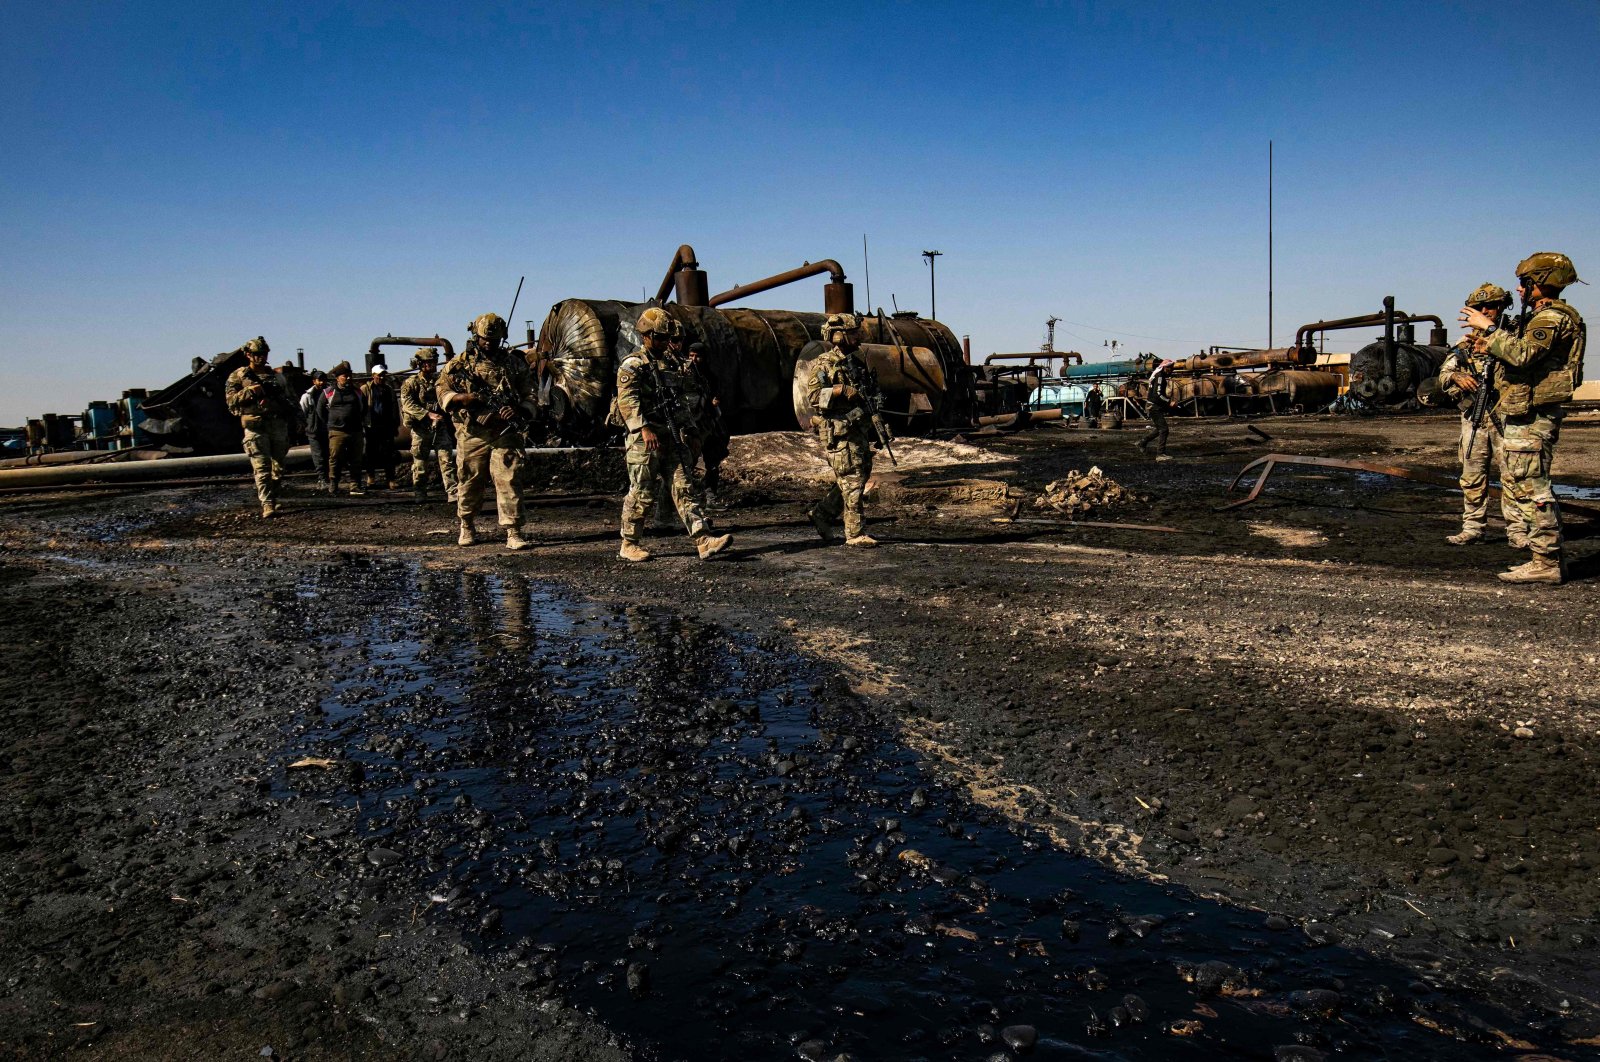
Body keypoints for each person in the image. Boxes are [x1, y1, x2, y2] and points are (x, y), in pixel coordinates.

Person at [1462, 252, 1587, 585]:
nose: (1518, 289)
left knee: (1533, 486)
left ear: (1541, 283)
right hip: (1521, 411)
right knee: (1520, 484)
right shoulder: (1539, 317)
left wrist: (1489, 328)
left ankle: (1547, 561)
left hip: (1533, 415)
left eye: (1524, 283)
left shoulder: (1551, 318)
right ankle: (1541, 557)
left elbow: (1523, 354)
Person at [614, 306, 731, 562]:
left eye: (668, 337)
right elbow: (628, 401)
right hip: (643, 438)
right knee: (642, 491)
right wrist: (643, 428)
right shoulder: (633, 365)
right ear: (645, 335)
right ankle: (629, 543)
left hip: (671, 435)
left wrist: (690, 429)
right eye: (660, 337)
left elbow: (679, 401)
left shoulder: (669, 364)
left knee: (684, 485)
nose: (665, 342)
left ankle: (703, 539)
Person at [437, 313, 537, 550]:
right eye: (484, 338)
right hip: (473, 432)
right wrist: (464, 399)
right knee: (470, 479)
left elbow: (530, 391)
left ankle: (513, 531)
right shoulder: (461, 364)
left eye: (494, 338)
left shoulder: (514, 363)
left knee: (509, 479)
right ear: (476, 336)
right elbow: (442, 389)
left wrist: (520, 411)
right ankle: (467, 525)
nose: (489, 343)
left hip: (505, 432)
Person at [1433, 283, 1518, 546]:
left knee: (1514, 476)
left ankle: (1518, 530)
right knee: (1472, 477)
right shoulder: (1464, 344)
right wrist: (1457, 377)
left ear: (1502, 307)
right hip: (1474, 416)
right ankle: (1473, 527)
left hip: (1508, 416)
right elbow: (1443, 376)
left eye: (1490, 306)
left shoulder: (1514, 337)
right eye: (1478, 307)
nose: (1485, 311)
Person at [805, 312, 887, 547]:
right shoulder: (823, 363)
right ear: (838, 336)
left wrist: (879, 426)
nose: (858, 338)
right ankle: (855, 533)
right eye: (853, 334)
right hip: (839, 432)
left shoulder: (857, 362)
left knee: (858, 476)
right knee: (852, 480)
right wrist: (839, 390)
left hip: (858, 429)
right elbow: (813, 397)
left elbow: (868, 398)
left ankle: (822, 513)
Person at [223, 336, 296, 518]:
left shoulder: (277, 378)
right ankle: (267, 503)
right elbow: (231, 403)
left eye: (264, 354)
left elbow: (292, 400)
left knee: (278, 467)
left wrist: (299, 420)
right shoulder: (239, 376)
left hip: (277, 425)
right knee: (262, 467)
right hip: (255, 427)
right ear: (248, 355)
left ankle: (273, 496)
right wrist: (250, 392)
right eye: (257, 354)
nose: (261, 357)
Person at [400, 348, 458, 503]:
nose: (432, 365)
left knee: (447, 459)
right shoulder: (411, 383)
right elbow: (407, 404)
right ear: (420, 364)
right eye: (428, 362)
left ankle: (452, 491)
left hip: (439, 425)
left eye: (433, 362)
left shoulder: (439, 381)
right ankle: (420, 491)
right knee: (420, 462)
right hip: (421, 427)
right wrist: (427, 414)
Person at [318, 360, 368, 496]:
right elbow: (320, 410)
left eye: (349, 375)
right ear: (338, 377)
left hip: (355, 431)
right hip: (337, 431)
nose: (348, 378)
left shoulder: (357, 392)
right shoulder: (329, 393)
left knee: (356, 458)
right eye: (345, 376)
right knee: (335, 458)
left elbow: (364, 409)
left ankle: (355, 485)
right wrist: (331, 423)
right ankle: (334, 484)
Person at [361, 364, 402, 490]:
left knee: (388, 453)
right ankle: (371, 477)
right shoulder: (366, 389)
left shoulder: (388, 389)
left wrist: (395, 425)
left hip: (386, 426)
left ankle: (391, 479)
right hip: (371, 426)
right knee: (370, 452)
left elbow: (394, 408)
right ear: (373, 375)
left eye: (383, 375)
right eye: (379, 375)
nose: (382, 377)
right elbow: (361, 407)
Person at [1138, 359, 1175, 460]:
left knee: (1160, 428)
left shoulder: (1157, 375)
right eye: (1170, 368)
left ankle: (1142, 442)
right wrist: (1168, 401)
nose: (1171, 370)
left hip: (1152, 405)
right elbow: (1157, 394)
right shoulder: (1160, 377)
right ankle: (1160, 454)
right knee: (1164, 429)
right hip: (1153, 406)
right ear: (1165, 367)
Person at [299, 369, 329, 490]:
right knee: (318, 455)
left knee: (328, 455)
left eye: (323, 380)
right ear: (314, 381)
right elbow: (303, 412)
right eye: (319, 380)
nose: (322, 382)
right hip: (314, 430)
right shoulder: (307, 396)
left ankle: (327, 477)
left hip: (327, 429)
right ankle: (322, 478)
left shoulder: (330, 393)